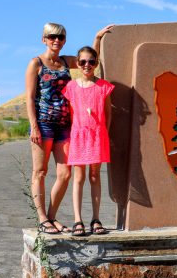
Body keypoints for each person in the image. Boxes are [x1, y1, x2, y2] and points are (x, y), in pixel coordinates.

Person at [25, 22, 113, 234]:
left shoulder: (66, 62)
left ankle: (52, 216)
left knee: (65, 174)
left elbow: (90, 59)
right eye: (52, 37)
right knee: (40, 171)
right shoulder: (36, 63)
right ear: (44, 39)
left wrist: (98, 37)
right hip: (44, 124)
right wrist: (34, 125)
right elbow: (29, 97)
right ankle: (42, 218)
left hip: (65, 125)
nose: (57, 41)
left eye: (61, 38)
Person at [62, 46, 114, 236]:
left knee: (95, 176)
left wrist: (103, 133)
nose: (87, 65)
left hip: (97, 137)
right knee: (79, 177)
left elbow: (108, 114)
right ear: (77, 63)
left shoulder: (103, 86)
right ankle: (77, 220)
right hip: (79, 136)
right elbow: (71, 114)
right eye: (83, 62)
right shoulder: (71, 87)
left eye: (91, 62)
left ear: (96, 63)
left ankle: (96, 218)